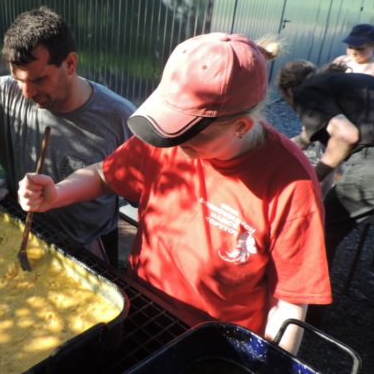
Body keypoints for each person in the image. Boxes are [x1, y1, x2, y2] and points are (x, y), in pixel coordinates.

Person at [18, 32, 332, 353]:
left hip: (214, 343)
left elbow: (289, 304)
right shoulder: (166, 139)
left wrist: (268, 363)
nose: (173, 145)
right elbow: (105, 175)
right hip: (138, 305)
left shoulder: (291, 184)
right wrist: (57, 193)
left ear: (241, 126)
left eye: (190, 134)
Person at [0, 7, 135, 262]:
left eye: (39, 80)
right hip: (20, 235)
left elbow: (144, 193)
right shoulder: (8, 93)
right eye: (18, 79)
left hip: (88, 247)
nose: (27, 93)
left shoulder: (119, 117)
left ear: (71, 63)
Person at [277, 60, 374, 271]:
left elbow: (345, 134)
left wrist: (313, 176)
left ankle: (307, 300)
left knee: (319, 232)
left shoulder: (305, 91)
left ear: (288, 90)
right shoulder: (344, 83)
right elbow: (305, 137)